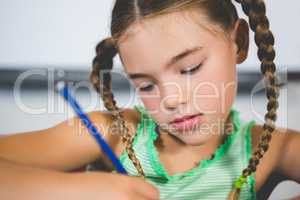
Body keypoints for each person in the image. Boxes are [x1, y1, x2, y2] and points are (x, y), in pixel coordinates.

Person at [0, 0, 299, 199]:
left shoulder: (274, 147)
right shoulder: (113, 134)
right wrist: (91, 190)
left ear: (239, 42)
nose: (170, 99)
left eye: (190, 68)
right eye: (145, 85)